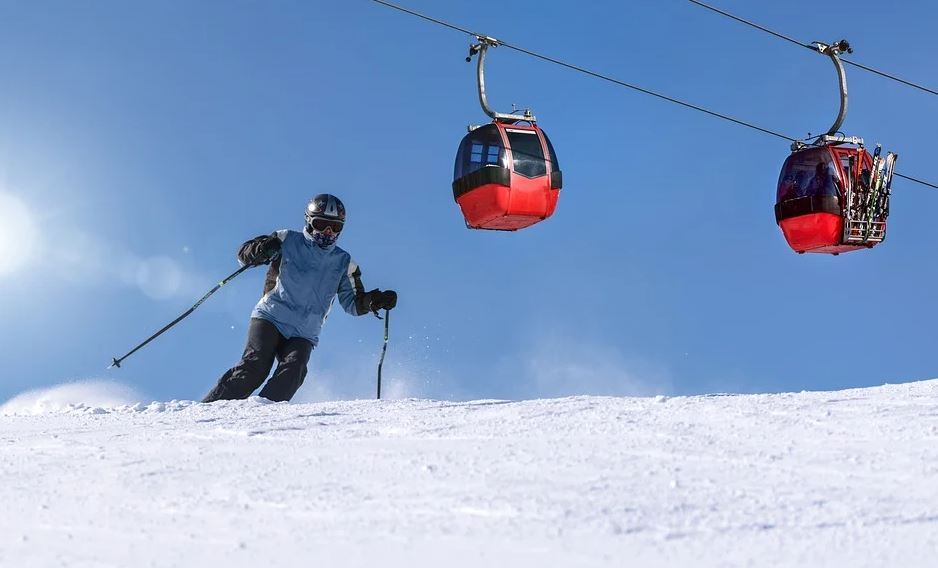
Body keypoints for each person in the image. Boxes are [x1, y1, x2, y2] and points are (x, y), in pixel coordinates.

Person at [202, 194, 397, 403]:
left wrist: (375, 300)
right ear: (309, 221)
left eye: (335, 227)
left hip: (304, 332)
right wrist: (262, 249)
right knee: (255, 367)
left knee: (294, 370)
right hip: (271, 317)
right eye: (321, 224)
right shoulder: (286, 239)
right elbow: (244, 255)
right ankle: (210, 409)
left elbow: (354, 304)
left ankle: (263, 412)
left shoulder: (343, 262)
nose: (328, 232)